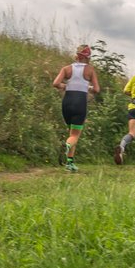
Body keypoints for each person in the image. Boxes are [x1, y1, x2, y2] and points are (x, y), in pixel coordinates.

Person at [52, 44, 101, 172]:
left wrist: (65, 86)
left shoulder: (66, 69)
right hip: (80, 103)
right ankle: (68, 145)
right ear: (88, 57)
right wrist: (88, 88)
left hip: (66, 102)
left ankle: (70, 163)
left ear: (77, 56)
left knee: (72, 132)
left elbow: (56, 83)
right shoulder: (90, 70)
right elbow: (96, 89)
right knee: (74, 135)